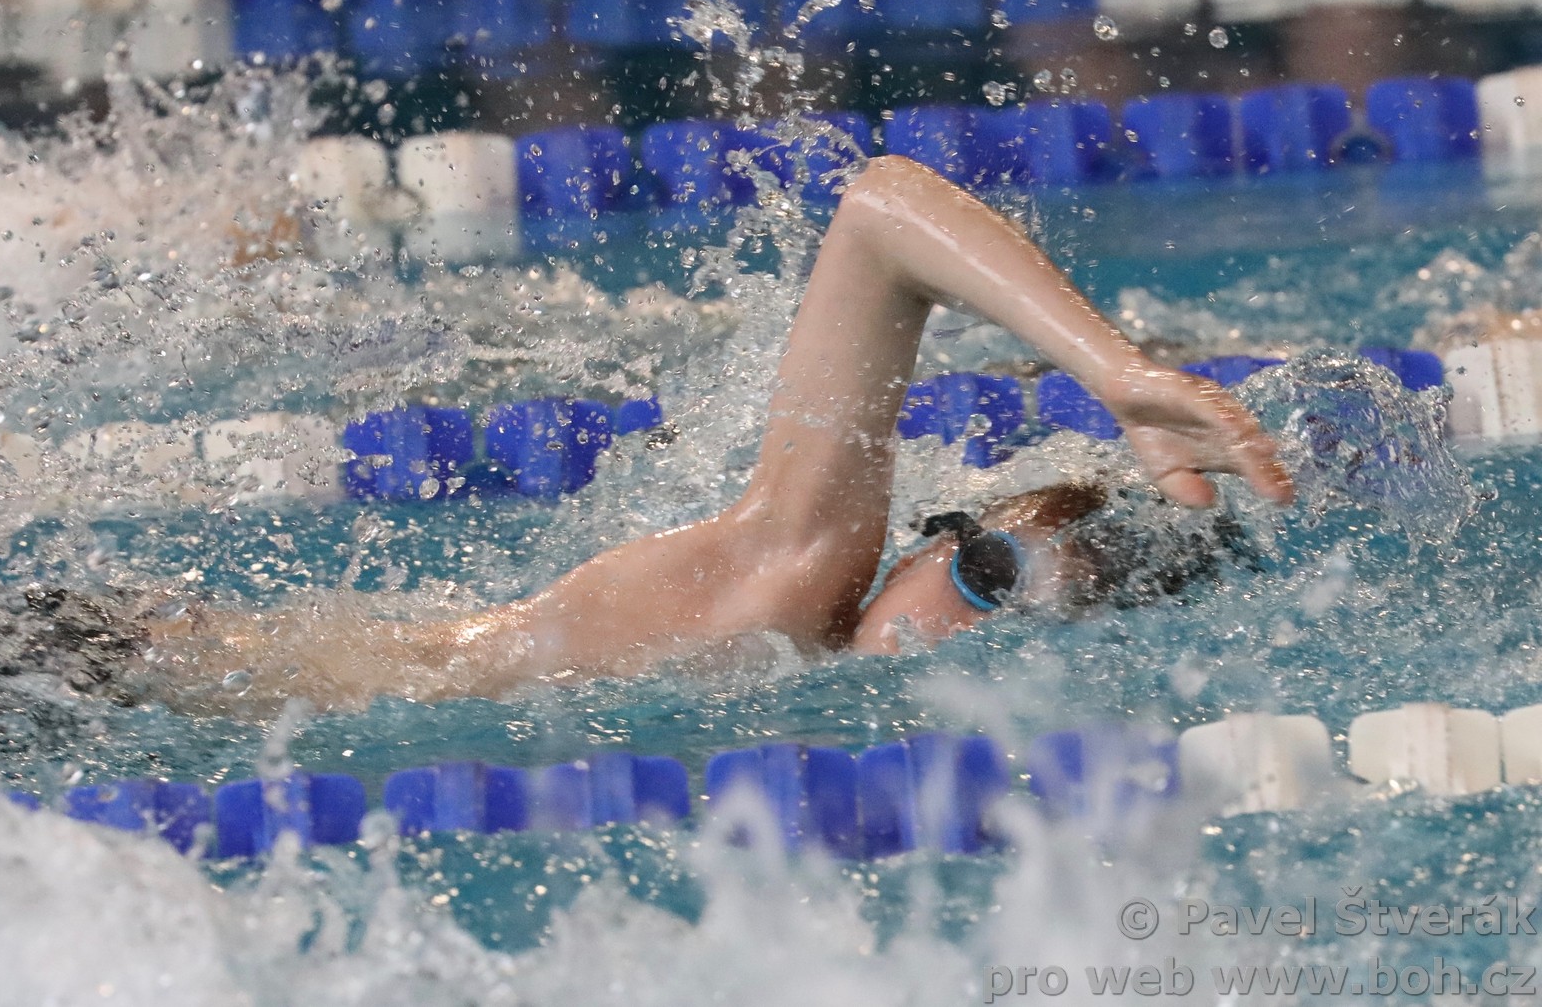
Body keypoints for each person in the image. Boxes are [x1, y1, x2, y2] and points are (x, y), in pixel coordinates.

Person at [125, 155, 1292, 711]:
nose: (960, 631)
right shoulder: (790, 582)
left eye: (1021, 616)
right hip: (129, 673)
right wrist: (1114, 370)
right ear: (932, 540)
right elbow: (880, 211)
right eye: (985, 573)